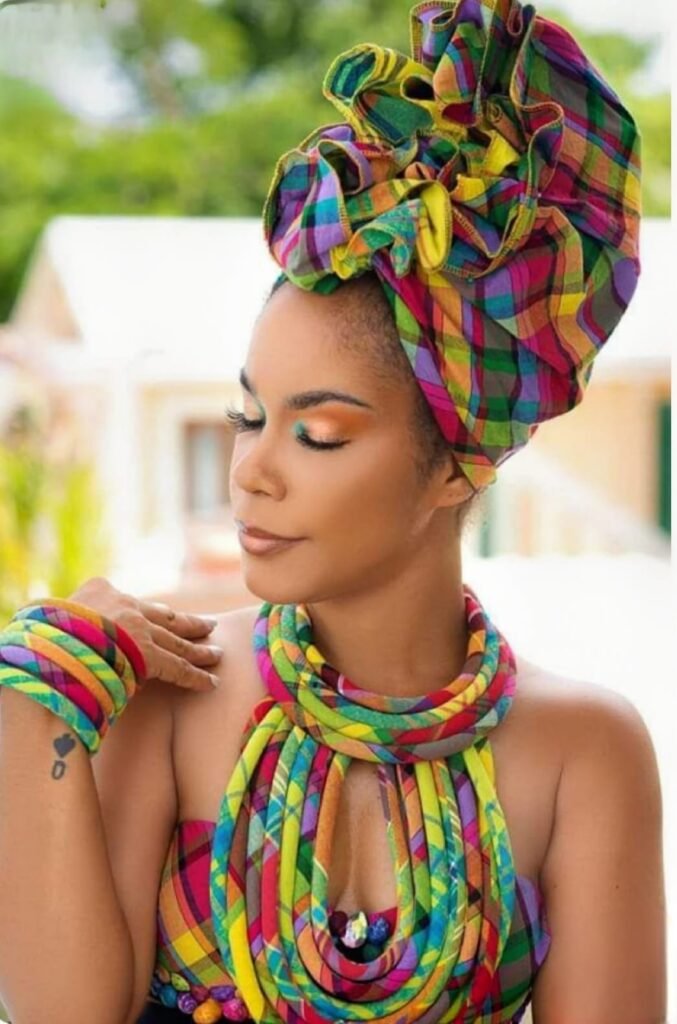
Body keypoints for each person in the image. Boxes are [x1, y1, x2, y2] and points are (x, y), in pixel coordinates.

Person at [0, 1, 667, 1023]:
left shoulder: (585, 752)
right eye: (248, 415)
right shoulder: (167, 695)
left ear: (455, 467)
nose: (251, 471)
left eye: (317, 434)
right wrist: (29, 702)